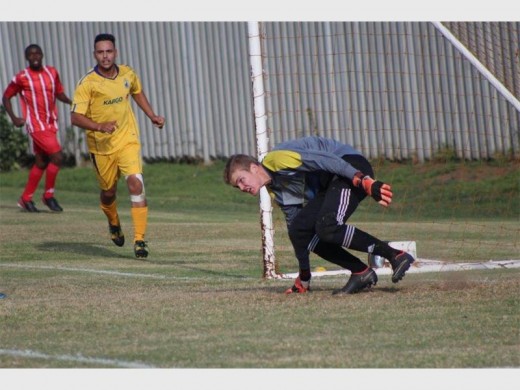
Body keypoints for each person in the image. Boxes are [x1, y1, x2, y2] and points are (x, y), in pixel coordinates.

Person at [223, 136, 415, 295]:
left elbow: (326, 160)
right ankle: (360, 272)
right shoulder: (276, 188)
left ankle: (396, 255)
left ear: (254, 168)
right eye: (236, 186)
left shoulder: (277, 159)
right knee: (301, 230)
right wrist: (304, 276)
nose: (241, 188)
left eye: (241, 180)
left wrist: (361, 180)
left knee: (327, 225)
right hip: (332, 181)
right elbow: (297, 230)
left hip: (348, 166)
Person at [70, 33, 165, 259]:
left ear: (115, 52)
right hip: (101, 147)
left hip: (127, 139)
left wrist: (152, 115)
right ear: (95, 54)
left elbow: (136, 91)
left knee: (136, 183)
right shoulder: (87, 83)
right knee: (108, 192)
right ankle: (113, 221)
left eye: (109, 51)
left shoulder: (127, 73)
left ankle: (140, 240)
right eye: (101, 52)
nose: (105, 56)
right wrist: (99, 126)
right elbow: (75, 117)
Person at [2, 44, 72, 212]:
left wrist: (72, 102)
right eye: (31, 54)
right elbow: (6, 97)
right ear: (27, 57)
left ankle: (25, 199)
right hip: (36, 125)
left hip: (50, 123)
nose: (35, 56)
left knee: (41, 162)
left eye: (37, 53)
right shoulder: (22, 77)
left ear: (42, 55)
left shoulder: (52, 72)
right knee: (57, 157)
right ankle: (48, 196)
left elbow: (59, 93)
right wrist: (14, 118)